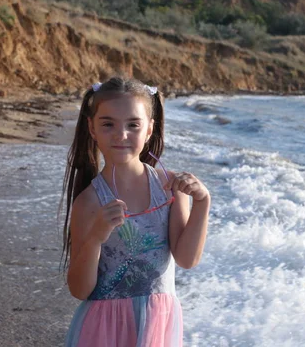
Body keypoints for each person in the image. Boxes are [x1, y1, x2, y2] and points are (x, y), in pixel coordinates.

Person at [60, 76, 211, 346]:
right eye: (108, 124)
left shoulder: (169, 188)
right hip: (104, 330)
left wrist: (203, 203)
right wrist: (96, 236)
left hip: (157, 324)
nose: (121, 135)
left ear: (149, 130)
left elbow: (187, 259)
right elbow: (80, 289)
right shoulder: (90, 202)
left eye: (133, 125)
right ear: (91, 128)